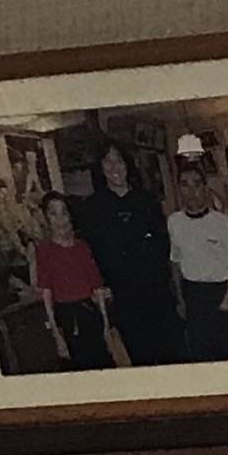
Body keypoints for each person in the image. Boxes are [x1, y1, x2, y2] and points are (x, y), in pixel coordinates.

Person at [77, 145, 182, 365]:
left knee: (171, 354)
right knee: (140, 356)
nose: (114, 167)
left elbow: (163, 244)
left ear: (127, 165)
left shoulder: (146, 200)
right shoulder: (93, 208)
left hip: (156, 291)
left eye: (119, 161)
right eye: (108, 162)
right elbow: (92, 252)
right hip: (123, 297)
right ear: (100, 168)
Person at [167, 163, 228, 361]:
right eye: (185, 185)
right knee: (201, 356)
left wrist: (226, 303)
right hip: (193, 296)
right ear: (179, 189)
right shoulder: (174, 222)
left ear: (205, 188)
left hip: (220, 295)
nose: (192, 191)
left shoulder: (221, 222)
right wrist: (180, 299)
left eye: (197, 184)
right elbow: (175, 262)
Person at [31, 194, 115, 370]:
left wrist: (106, 326)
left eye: (64, 213)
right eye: (53, 213)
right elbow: (47, 293)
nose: (60, 219)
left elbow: (97, 287)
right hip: (68, 319)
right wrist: (56, 334)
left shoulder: (82, 247)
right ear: (46, 217)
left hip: (91, 315)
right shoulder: (44, 251)